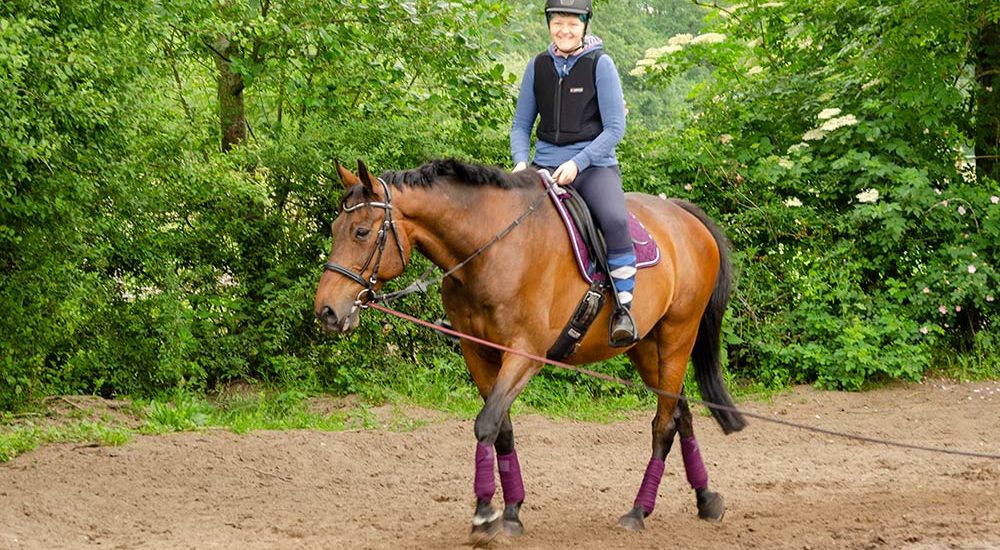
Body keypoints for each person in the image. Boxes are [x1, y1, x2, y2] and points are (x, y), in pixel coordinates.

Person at [510, 0, 638, 346]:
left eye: (572, 23)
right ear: (549, 24)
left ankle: (623, 310)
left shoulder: (601, 64)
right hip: (542, 166)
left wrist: (577, 163)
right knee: (504, 220)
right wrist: (522, 161)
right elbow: (521, 125)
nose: (564, 30)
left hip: (593, 167)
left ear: (584, 25)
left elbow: (614, 128)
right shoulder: (537, 66)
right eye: (557, 22)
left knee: (614, 220)